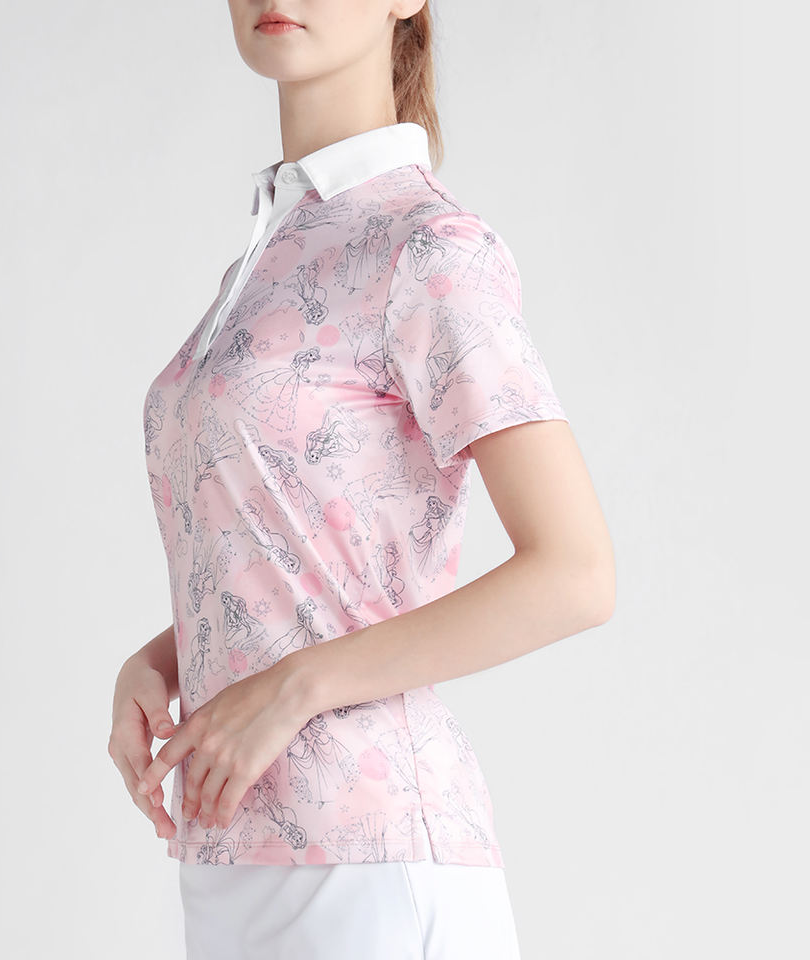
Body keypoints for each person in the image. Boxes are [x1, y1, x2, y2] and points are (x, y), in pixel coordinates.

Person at [109, 2, 615, 957]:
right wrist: (162, 663)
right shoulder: (273, 251)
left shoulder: (429, 246)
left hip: (373, 865)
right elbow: (311, 557)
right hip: (230, 863)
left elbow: (576, 573)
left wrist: (293, 689)